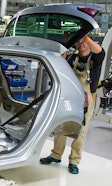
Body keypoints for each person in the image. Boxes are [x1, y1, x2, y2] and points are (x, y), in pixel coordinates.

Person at [40, 35, 105, 174]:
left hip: (86, 98)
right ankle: (56, 155)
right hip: (69, 96)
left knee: (81, 131)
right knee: (61, 126)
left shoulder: (94, 59)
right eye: (78, 42)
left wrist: (85, 37)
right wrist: (65, 44)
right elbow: (60, 62)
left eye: (84, 42)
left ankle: (74, 161)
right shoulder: (71, 58)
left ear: (89, 43)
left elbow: (100, 51)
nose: (81, 44)